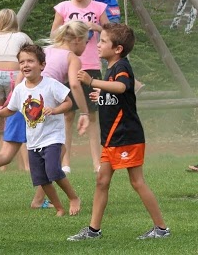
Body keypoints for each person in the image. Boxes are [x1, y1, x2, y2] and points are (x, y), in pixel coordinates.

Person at [69, 23, 171, 241]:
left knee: (137, 182)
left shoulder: (121, 66)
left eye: (103, 41)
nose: (98, 44)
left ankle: (161, 228)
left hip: (126, 137)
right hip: (112, 139)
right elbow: (116, 96)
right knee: (102, 180)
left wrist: (92, 81)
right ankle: (93, 230)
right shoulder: (111, 69)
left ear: (118, 49)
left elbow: (124, 87)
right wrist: (102, 96)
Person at [0, 44, 82, 217]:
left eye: (30, 61)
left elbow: (68, 103)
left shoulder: (51, 85)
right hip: (33, 140)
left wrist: (54, 110)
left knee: (53, 171)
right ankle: (58, 207)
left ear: (42, 65)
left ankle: (73, 198)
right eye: (22, 61)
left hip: (52, 137)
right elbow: (11, 109)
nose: (25, 65)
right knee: (41, 178)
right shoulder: (20, 89)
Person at [52, 0, 109, 173]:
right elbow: (54, 33)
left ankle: (97, 162)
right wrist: (69, 29)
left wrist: (95, 28)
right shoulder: (63, 8)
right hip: (68, 66)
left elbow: (109, 32)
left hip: (91, 66)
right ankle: (65, 162)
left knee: (93, 116)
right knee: (67, 115)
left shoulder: (98, 8)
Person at [41, 20, 91, 174]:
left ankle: (50, 183)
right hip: (48, 99)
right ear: (77, 40)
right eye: (86, 42)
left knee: (12, 151)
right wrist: (84, 112)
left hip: (31, 96)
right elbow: (75, 85)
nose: (86, 46)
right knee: (56, 142)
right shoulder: (72, 58)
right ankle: (46, 187)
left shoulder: (46, 50)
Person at [0, 9, 32, 158]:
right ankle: (25, 163)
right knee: (18, 114)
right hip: (15, 75)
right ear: (15, 22)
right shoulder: (22, 37)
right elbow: (32, 56)